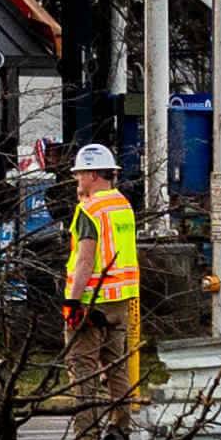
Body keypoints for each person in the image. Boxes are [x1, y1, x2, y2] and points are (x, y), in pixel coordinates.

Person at [56, 138, 145, 418]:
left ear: (93, 174)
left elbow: (85, 259)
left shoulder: (89, 211)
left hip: (89, 302)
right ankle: (120, 435)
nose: (76, 180)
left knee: (82, 372)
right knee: (117, 368)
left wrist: (71, 302)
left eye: (79, 174)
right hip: (120, 301)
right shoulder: (122, 205)